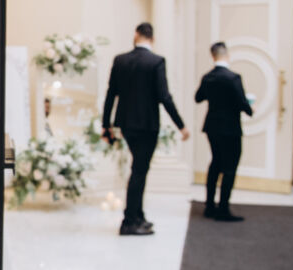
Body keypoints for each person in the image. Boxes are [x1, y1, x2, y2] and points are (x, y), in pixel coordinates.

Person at [103, 22, 190, 236]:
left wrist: (106, 125)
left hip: (126, 124)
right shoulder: (156, 61)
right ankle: (129, 221)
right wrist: (181, 125)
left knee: (138, 169)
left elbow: (111, 94)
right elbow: (164, 97)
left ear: (136, 35)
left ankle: (138, 215)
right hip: (147, 125)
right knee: (139, 171)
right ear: (153, 38)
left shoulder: (120, 60)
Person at [195, 42, 253, 222]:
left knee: (215, 163)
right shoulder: (233, 78)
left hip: (212, 126)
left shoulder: (208, 77)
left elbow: (198, 97)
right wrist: (250, 108)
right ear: (227, 55)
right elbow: (242, 103)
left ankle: (209, 206)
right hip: (230, 128)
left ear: (213, 56)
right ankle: (223, 208)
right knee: (230, 167)